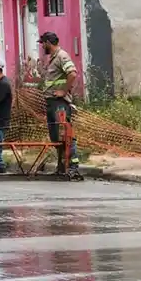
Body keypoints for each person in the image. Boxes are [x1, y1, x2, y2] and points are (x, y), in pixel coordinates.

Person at [38, 32, 83, 180]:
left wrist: (64, 91)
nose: (42, 46)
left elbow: (72, 73)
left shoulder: (62, 56)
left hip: (59, 103)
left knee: (67, 135)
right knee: (56, 137)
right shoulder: (52, 58)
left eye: (42, 43)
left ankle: (73, 168)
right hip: (51, 102)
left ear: (48, 42)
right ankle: (61, 167)